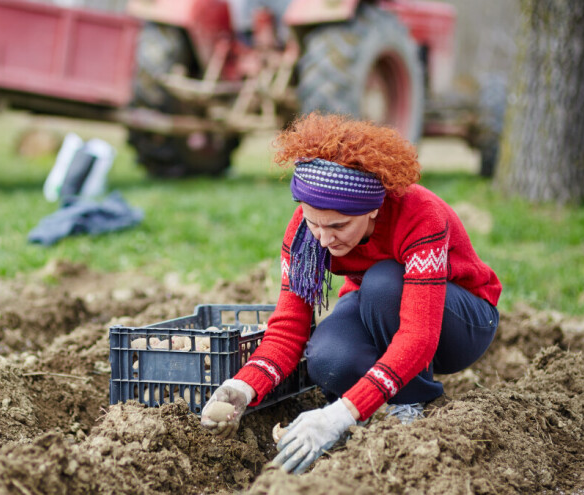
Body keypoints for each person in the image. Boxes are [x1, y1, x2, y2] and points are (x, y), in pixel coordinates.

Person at [199, 113, 501, 474]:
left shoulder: (421, 215)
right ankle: (375, 405)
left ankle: (410, 408)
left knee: (385, 281)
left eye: (339, 225)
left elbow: (420, 335)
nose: (324, 239)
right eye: (314, 222)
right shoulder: (304, 235)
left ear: (373, 208)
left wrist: (339, 415)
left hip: (461, 321)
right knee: (327, 357)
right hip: (377, 303)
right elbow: (288, 329)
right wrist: (243, 387)